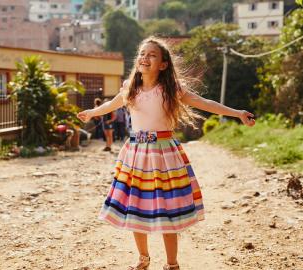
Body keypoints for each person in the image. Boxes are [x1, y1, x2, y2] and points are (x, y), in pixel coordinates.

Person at [77, 36, 255, 270]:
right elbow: (111, 104)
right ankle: (143, 258)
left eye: (152, 54)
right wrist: (92, 112)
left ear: (163, 64)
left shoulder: (171, 90)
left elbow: (205, 102)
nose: (144, 57)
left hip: (164, 155)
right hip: (136, 154)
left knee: (167, 210)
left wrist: (238, 113)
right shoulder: (130, 88)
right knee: (136, 207)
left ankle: (172, 264)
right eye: (142, 53)